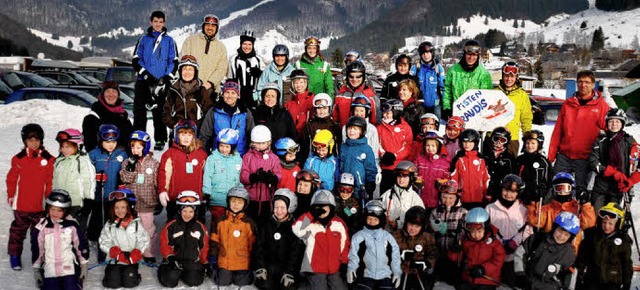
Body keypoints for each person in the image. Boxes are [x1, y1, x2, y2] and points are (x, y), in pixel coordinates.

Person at [549, 70, 610, 190]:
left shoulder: (601, 106)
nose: (583, 85)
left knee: (582, 192)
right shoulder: (568, 104)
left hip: (585, 158)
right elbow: (558, 132)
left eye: (587, 82)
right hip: (564, 156)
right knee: (556, 189)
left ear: (593, 85)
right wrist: (551, 155)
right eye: (580, 82)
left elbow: (610, 132)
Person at [7, 124, 55, 271]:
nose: (34, 143)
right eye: (30, 140)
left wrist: (49, 201)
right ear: (24, 141)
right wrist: (11, 195)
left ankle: (38, 257)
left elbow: (50, 181)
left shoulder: (48, 159)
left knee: (39, 235)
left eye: (37, 140)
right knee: (17, 232)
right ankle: (14, 256)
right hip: (22, 204)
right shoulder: (18, 159)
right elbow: (11, 179)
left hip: (39, 206)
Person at [132, 10, 178, 151]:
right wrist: (145, 74)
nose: (158, 24)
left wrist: (166, 77)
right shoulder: (143, 39)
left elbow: (174, 61)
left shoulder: (169, 41)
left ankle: (160, 139)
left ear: (164, 23)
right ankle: (139, 139)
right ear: (151, 22)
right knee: (140, 111)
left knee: (160, 112)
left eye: (161, 21)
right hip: (144, 81)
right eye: (155, 21)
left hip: (161, 81)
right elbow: (135, 59)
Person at [31, 190, 89, 290]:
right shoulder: (42, 227)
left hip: (69, 266)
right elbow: (37, 247)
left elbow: (80, 244)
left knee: (71, 287)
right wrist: (36, 268)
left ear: (65, 211)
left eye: (59, 210)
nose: (55, 213)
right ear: (48, 208)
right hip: (50, 267)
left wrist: (84, 264)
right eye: (52, 209)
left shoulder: (72, 225)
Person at [292, 190, 350, 290]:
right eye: (317, 207)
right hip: (316, 268)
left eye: (324, 207)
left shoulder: (338, 223)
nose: (321, 210)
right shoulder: (310, 224)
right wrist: (311, 214)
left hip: (335, 267)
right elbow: (296, 229)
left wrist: (344, 262)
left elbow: (345, 244)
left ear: (331, 208)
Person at [526, 172, 596, 254]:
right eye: (559, 188)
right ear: (554, 190)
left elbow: (589, 223)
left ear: (571, 189)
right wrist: (535, 201)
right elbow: (535, 221)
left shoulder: (577, 208)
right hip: (551, 250)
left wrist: (586, 203)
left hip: (571, 251)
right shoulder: (548, 209)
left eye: (566, 188)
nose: (562, 191)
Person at [87, 124, 128, 262]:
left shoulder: (122, 154)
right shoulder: (94, 154)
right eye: (107, 142)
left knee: (113, 220)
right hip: (100, 195)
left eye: (114, 142)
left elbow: (126, 170)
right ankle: (100, 244)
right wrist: (96, 176)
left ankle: (115, 242)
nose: (111, 145)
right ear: (100, 141)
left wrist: (123, 182)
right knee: (100, 220)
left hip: (114, 195)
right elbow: (87, 173)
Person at [485, 174, 534, 287]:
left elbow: (528, 231)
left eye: (513, 192)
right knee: (490, 282)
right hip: (494, 254)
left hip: (513, 256)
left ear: (518, 193)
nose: (508, 194)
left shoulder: (523, 210)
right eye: (506, 190)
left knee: (511, 283)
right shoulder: (490, 208)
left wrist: (515, 243)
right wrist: (496, 244)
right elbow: (486, 230)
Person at [119, 130, 159, 263]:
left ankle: (148, 252)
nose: (135, 150)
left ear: (146, 147)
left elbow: (157, 182)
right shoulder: (127, 162)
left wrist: (158, 199)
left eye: (139, 147)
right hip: (132, 203)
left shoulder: (153, 163)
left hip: (147, 202)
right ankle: (131, 251)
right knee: (130, 228)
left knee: (148, 229)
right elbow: (125, 178)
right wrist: (130, 166)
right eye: (132, 146)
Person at [513, 212, 580, 290]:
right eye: (560, 231)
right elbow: (520, 253)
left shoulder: (569, 252)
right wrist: (520, 275)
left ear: (570, 237)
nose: (561, 236)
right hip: (527, 283)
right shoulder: (537, 239)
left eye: (566, 235)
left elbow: (571, 273)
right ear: (554, 228)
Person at [254, 188, 304, 290]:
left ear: (290, 207)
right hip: (269, 266)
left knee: (287, 287)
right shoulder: (267, 224)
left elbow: (295, 253)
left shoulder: (294, 228)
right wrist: (261, 266)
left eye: (282, 207)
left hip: (286, 268)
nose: (279, 211)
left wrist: (290, 272)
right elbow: (259, 247)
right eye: (276, 207)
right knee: (265, 285)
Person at [158, 191, 211, 288]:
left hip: (191, 262)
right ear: (179, 210)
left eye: (191, 211)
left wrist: (205, 262)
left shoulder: (200, 227)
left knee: (195, 281)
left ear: (195, 212)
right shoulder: (171, 226)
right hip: (174, 261)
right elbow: (165, 244)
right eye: (184, 211)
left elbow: (204, 247)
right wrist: (170, 257)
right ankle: (168, 271)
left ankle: (185, 274)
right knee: (170, 281)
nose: (187, 214)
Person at [158, 119, 208, 220]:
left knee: (197, 228)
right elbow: (164, 174)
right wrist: (163, 191)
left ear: (194, 136)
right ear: (177, 136)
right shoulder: (169, 154)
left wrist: (206, 194)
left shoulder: (202, 155)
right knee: (174, 226)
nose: (186, 138)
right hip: (175, 200)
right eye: (183, 135)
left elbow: (207, 175)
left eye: (189, 135)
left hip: (197, 199)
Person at [99, 189, 149, 288]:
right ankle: (110, 275)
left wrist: (137, 251)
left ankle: (135, 276)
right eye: (116, 207)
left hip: (131, 259)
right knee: (113, 284)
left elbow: (143, 239)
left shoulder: (135, 224)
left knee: (129, 283)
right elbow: (104, 240)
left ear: (129, 208)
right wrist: (112, 251)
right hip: (115, 259)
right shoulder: (109, 224)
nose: (119, 210)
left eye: (123, 207)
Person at [347, 200, 403, 290]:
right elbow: (353, 255)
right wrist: (352, 268)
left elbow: (395, 256)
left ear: (380, 220)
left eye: (375, 219)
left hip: (385, 275)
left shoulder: (387, 237)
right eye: (369, 218)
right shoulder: (359, 236)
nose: (372, 222)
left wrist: (396, 272)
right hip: (365, 276)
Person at [575, 203, 632, 290]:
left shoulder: (623, 241)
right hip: (592, 279)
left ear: (617, 224)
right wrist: (579, 274)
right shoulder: (592, 236)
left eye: (610, 223)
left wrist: (626, 283)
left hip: (612, 280)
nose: (606, 226)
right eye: (604, 222)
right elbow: (582, 257)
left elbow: (626, 264)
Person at [589, 108, 636, 211]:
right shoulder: (600, 141)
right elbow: (593, 161)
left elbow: (637, 161)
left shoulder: (629, 141)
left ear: (622, 124)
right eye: (611, 121)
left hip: (619, 187)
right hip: (601, 186)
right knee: (597, 214)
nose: (614, 124)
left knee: (612, 218)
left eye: (617, 121)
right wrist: (612, 172)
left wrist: (631, 180)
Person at [209, 186, 257, 288]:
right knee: (222, 281)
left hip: (242, 262)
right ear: (228, 202)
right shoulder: (220, 221)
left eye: (240, 202)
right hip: (224, 260)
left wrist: (253, 261)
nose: (236, 205)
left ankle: (245, 274)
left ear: (245, 204)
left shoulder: (249, 223)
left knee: (242, 282)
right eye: (233, 201)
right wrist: (213, 259)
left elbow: (253, 244)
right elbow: (214, 241)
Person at [448, 207, 505, 290]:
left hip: (487, 279)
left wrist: (484, 269)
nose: (476, 235)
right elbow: (457, 259)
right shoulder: (466, 241)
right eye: (473, 231)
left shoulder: (494, 243)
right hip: (469, 278)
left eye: (479, 231)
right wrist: (454, 250)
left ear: (486, 229)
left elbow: (498, 261)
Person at [52, 128, 96, 231]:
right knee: (61, 230)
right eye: (62, 147)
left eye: (68, 147)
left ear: (77, 146)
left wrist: (88, 200)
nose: (64, 149)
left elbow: (88, 181)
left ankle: (80, 246)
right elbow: (54, 180)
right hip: (60, 203)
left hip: (76, 204)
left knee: (76, 230)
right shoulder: (59, 161)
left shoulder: (82, 162)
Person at [199, 79, 255, 155]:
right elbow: (204, 136)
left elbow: (252, 136)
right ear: (222, 94)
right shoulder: (214, 111)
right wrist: (204, 155)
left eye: (233, 93)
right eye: (227, 92)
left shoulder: (245, 112)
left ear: (238, 95)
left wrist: (249, 156)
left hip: (240, 157)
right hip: (218, 157)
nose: (229, 96)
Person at [428, 179, 468, 286]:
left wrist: (459, 238)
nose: (447, 201)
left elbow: (467, 232)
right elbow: (430, 232)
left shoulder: (462, 212)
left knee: (453, 278)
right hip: (439, 250)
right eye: (444, 197)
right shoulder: (435, 212)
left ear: (456, 198)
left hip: (455, 253)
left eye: (451, 198)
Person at [442, 40, 493, 120]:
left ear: (478, 56)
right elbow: (447, 91)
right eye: (469, 54)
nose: (471, 58)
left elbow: (487, 95)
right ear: (464, 54)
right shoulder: (453, 70)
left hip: (475, 116)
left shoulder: (484, 74)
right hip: (456, 114)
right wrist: (447, 108)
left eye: (474, 55)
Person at [162, 54, 215, 131]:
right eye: (184, 69)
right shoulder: (174, 90)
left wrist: (197, 125)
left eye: (190, 69)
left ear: (195, 72)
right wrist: (175, 124)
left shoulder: (201, 90)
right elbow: (166, 113)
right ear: (180, 72)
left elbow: (209, 113)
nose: (187, 72)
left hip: (197, 131)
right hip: (178, 130)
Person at [240, 125, 282, 220]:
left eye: (263, 143)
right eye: (257, 143)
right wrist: (252, 177)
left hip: (267, 197)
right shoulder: (248, 157)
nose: (260, 146)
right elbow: (243, 174)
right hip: (251, 197)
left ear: (269, 143)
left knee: (265, 221)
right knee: (250, 221)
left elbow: (278, 173)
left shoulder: (274, 158)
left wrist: (273, 177)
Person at [203, 128, 243, 224]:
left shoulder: (238, 160)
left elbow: (240, 177)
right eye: (221, 146)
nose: (223, 149)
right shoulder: (212, 158)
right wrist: (207, 192)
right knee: (217, 223)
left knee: (232, 224)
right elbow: (207, 175)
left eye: (227, 147)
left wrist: (241, 192)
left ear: (232, 147)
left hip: (233, 200)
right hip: (217, 198)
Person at [393, 206, 438, 290]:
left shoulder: (427, 238)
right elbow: (388, 253)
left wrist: (426, 263)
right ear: (406, 223)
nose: (412, 229)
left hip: (419, 272)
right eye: (410, 225)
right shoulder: (396, 236)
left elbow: (433, 254)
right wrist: (401, 255)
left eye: (417, 226)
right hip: (401, 272)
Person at [181, 14, 228, 94]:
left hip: (211, 90)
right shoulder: (191, 41)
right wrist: (191, 83)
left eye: (213, 26)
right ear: (203, 26)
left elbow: (222, 69)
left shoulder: (221, 47)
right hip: (190, 88)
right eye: (207, 25)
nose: (210, 28)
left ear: (216, 28)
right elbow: (183, 62)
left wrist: (210, 83)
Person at [82, 81, 134, 152]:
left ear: (118, 95)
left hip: (123, 157)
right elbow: (90, 145)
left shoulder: (123, 115)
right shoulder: (93, 116)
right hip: (102, 159)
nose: (111, 94)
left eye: (114, 91)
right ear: (103, 94)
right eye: (107, 91)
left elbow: (130, 139)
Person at [497, 61, 533, 157]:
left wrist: (527, 136)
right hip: (494, 136)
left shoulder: (522, 95)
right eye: (506, 76)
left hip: (512, 138)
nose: (509, 79)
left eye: (512, 76)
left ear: (516, 77)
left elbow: (526, 118)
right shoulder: (494, 92)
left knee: (510, 167)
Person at [378, 99, 413, 193]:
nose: (385, 115)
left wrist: (395, 156)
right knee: (385, 194)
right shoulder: (380, 128)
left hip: (400, 168)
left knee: (400, 193)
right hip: (386, 167)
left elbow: (408, 147)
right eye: (384, 113)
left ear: (396, 112)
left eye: (388, 113)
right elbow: (377, 144)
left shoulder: (405, 128)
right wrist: (383, 155)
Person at [340, 116, 378, 201]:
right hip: (344, 188)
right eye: (349, 128)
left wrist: (370, 183)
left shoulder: (366, 149)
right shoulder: (343, 147)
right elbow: (340, 165)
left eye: (355, 129)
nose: (352, 131)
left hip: (359, 188)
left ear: (362, 131)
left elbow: (370, 168)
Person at [450, 129, 489, 209]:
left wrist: (486, 194)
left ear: (475, 143)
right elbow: (454, 178)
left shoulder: (482, 160)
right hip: (463, 200)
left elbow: (486, 179)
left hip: (479, 199)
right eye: (464, 142)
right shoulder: (458, 159)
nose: (467, 145)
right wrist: (456, 193)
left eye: (470, 142)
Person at [380, 161, 425, 231]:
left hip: (406, 236)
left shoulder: (415, 198)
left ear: (412, 178)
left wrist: (398, 224)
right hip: (388, 234)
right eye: (399, 176)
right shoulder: (387, 194)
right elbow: (379, 211)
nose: (401, 180)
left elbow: (420, 220)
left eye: (405, 177)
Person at [253, 82, 297, 150]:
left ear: (277, 98)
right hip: (262, 152)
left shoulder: (284, 113)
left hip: (281, 151)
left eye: (273, 96)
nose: (270, 99)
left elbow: (292, 134)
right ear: (263, 97)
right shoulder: (257, 113)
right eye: (267, 96)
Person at [299, 93, 342, 161]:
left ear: (329, 109)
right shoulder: (309, 126)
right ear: (315, 109)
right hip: (313, 161)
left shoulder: (334, 126)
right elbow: (304, 147)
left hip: (330, 162)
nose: (322, 111)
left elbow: (338, 146)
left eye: (325, 108)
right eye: (319, 108)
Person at [333, 61, 378, 126]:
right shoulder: (340, 95)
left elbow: (375, 121)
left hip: (363, 134)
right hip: (343, 133)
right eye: (351, 76)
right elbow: (335, 118)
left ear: (363, 77)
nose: (354, 79)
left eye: (358, 76)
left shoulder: (370, 95)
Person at [415, 131, 451, 210]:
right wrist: (417, 180)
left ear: (438, 147)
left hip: (436, 200)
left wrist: (442, 182)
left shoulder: (444, 163)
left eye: (433, 146)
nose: (430, 148)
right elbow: (414, 173)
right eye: (427, 145)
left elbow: (448, 179)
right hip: (420, 199)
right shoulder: (419, 160)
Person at [340, 96, 381, 164]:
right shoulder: (346, 127)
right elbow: (344, 145)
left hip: (366, 161)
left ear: (367, 112)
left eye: (362, 111)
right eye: (356, 110)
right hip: (350, 161)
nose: (359, 113)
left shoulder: (372, 129)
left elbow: (374, 151)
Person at [228, 30, 263, 109]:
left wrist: (260, 73)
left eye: (250, 44)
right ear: (241, 44)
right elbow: (229, 77)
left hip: (253, 97)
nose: (247, 47)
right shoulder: (234, 59)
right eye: (244, 44)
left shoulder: (258, 60)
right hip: (238, 96)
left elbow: (264, 79)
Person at [515, 130, 553, 204]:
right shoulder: (520, 159)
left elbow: (548, 180)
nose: (530, 146)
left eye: (533, 143)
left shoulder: (543, 162)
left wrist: (544, 191)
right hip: (521, 196)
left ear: (539, 144)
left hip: (537, 198)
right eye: (527, 143)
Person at [411, 42, 445, 119]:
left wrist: (445, 105)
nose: (426, 56)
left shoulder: (438, 68)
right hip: (420, 104)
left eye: (428, 53)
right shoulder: (416, 68)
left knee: (435, 126)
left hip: (435, 104)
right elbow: (410, 87)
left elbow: (443, 87)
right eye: (423, 53)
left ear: (432, 53)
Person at [483, 127, 516, 202]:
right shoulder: (486, 156)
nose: (498, 143)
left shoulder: (509, 159)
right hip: (485, 190)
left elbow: (512, 177)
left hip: (501, 192)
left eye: (502, 140)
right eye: (496, 139)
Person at [285, 69, 315, 136]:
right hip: (292, 135)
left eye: (301, 82)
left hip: (307, 135)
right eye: (296, 83)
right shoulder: (289, 103)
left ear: (306, 83)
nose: (299, 85)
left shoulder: (312, 100)